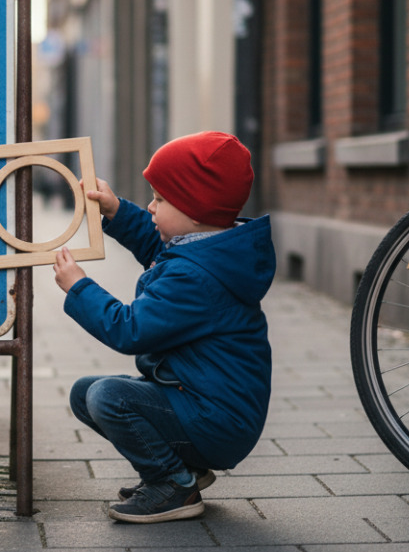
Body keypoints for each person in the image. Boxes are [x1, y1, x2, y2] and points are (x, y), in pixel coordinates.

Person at [52, 131, 275, 523]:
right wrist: (116, 209)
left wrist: (79, 288)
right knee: (84, 393)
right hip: (205, 407)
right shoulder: (209, 251)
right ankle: (184, 468)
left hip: (216, 421)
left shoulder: (195, 279)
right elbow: (158, 250)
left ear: (193, 210)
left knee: (108, 397)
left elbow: (129, 330)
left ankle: (172, 484)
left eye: (159, 199)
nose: (151, 208)